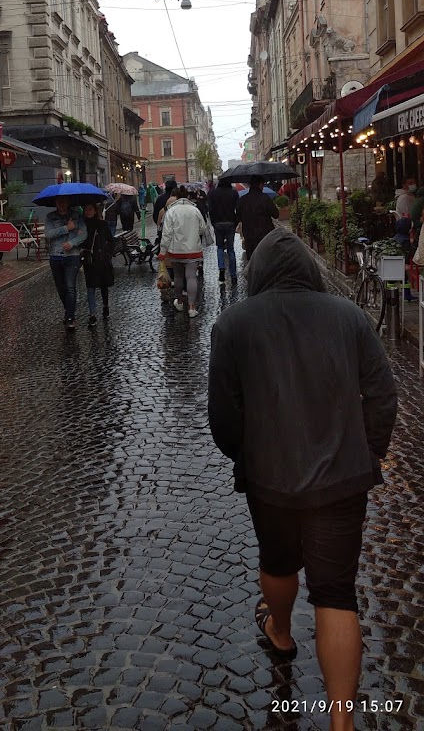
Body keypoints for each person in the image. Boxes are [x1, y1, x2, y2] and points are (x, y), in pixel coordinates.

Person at [208, 230, 397, 731]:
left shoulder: (233, 324)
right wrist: (370, 451)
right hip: (342, 478)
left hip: (271, 477)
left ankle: (282, 631)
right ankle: (342, 722)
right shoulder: (350, 317)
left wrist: (248, 456)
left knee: (278, 560)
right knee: (336, 593)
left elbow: (223, 416)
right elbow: (381, 394)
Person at [159, 189, 205, 317]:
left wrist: (163, 250)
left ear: (177, 197)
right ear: (188, 197)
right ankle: (191, 307)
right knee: (191, 277)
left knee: (178, 277)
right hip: (193, 250)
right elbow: (203, 228)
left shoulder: (171, 211)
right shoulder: (195, 210)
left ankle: (179, 302)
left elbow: (166, 233)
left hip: (176, 250)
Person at [45, 196, 87, 330]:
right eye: (59, 202)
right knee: (61, 288)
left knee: (70, 287)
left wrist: (72, 243)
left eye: (64, 201)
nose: (61, 204)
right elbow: (48, 234)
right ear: (55, 203)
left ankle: (70, 317)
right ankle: (69, 310)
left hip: (72, 256)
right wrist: (66, 228)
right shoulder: (50, 217)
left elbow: (83, 234)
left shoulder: (77, 216)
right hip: (55, 256)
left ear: (68, 202)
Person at [81, 203, 114, 325]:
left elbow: (111, 241)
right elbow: (81, 242)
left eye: (90, 209)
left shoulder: (102, 224)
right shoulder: (82, 225)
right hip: (89, 260)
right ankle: (92, 313)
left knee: (103, 285)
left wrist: (107, 254)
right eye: (86, 209)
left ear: (95, 211)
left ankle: (105, 305)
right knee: (90, 286)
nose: (88, 212)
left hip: (102, 260)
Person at [236, 178, 279, 259]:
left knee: (252, 259)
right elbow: (276, 214)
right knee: (265, 259)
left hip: (249, 235)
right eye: (263, 184)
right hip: (265, 234)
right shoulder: (265, 198)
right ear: (260, 184)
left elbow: (238, 217)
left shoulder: (243, 200)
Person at [208, 177, 239, 285]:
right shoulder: (233, 193)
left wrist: (213, 222)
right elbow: (237, 208)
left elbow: (210, 209)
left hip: (218, 223)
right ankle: (233, 275)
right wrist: (236, 221)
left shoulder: (213, 193)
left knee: (220, 247)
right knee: (231, 249)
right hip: (230, 222)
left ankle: (221, 268)